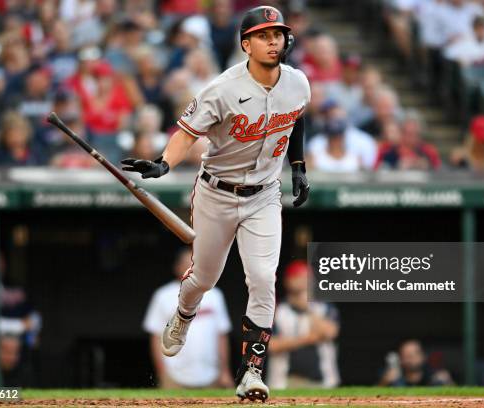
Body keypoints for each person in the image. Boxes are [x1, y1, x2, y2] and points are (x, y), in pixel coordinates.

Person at [121, 5, 310, 402]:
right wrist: (163, 163)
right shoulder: (222, 88)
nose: (273, 40)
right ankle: (183, 314)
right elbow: (187, 132)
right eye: (263, 35)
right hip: (216, 193)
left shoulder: (297, 82)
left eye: (277, 34)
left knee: (262, 278)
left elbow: (296, 119)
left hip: (264, 196)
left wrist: (298, 167)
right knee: (203, 279)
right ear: (246, 44)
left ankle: (252, 372)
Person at [142, 248, 232, 389]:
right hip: (174, 376)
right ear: (177, 267)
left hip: (211, 375)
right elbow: (155, 337)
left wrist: (224, 371)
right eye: (186, 264)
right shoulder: (163, 295)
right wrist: (162, 372)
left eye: (195, 263)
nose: (191, 268)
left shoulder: (215, 295)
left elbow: (221, 336)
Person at [267, 260, 340, 389]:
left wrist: (308, 309)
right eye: (300, 277)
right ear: (288, 281)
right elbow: (270, 345)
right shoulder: (278, 309)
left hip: (323, 380)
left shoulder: (323, 306)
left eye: (307, 278)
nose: (304, 282)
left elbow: (330, 332)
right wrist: (307, 339)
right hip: (284, 382)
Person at [378, 339, 453, 386]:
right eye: (405, 356)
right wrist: (384, 381)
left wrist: (448, 382)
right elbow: (375, 393)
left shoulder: (432, 373)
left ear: (423, 356)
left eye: (412, 356)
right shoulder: (394, 374)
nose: (409, 360)